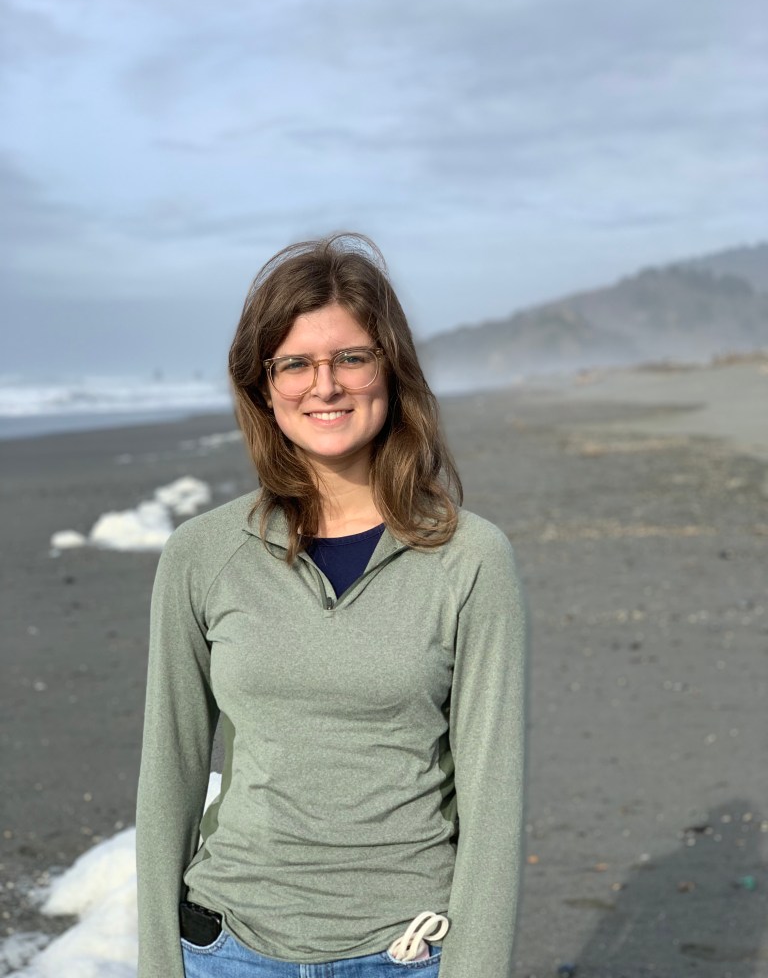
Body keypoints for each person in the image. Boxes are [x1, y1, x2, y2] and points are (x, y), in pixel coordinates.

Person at [135, 232, 528, 978]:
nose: (326, 385)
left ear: (392, 367)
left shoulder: (472, 559)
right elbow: (170, 775)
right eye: (296, 363)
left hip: (407, 949)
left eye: (351, 356)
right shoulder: (201, 555)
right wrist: (161, 964)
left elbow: (494, 797)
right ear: (263, 385)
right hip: (228, 947)